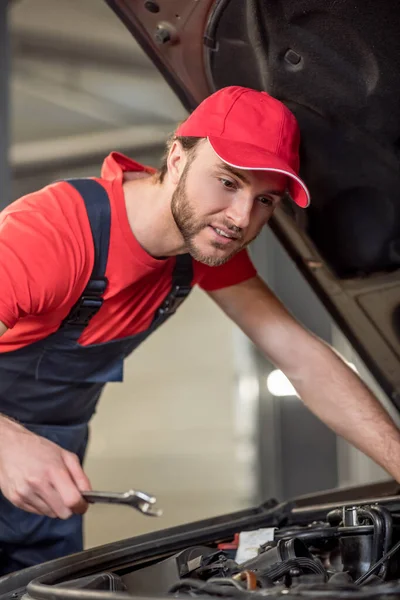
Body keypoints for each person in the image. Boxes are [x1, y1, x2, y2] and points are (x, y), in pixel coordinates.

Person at [0, 85, 399, 575]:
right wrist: (7, 441)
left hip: (46, 477)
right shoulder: (53, 234)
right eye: (228, 182)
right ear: (175, 158)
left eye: (265, 200)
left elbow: (303, 358)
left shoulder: (199, 251)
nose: (241, 218)